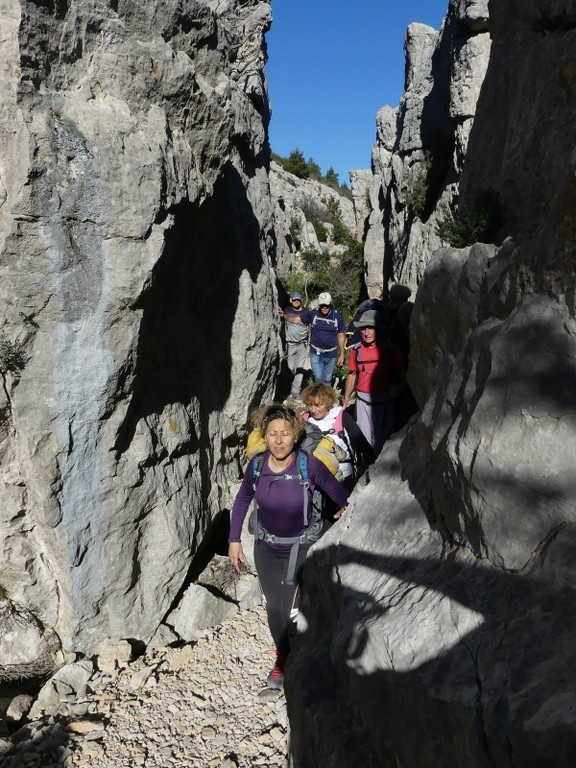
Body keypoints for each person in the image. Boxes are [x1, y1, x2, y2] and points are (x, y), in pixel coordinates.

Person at [228, 404, 349, 690]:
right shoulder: (257, 467)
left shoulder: (309, 465)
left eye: (284, 433)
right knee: (275, 609)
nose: (279, 440)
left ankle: (291, 661)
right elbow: (242, 500)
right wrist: (234, 539)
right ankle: (284, 657)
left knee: (291, 608)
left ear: (295, 435)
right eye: (272, 434)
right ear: (265, 437)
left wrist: (346, 507)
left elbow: (339, 493)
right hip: (266, 548)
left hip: (301, 547)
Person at [342, 309, 406, 455]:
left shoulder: (390, 349)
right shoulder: (356, 350)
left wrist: (399, 388)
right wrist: (346, 398)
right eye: (364, 328)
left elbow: (405, 374)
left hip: (384, 403)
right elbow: (352, 375)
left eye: (370, 328)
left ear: (378, 329)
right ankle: (365, 470)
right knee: (364, 440)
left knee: (383, 441)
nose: (367, 332)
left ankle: (378, 471)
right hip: (363, 401)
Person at [300, 382, 375, 490]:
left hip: (344, 476)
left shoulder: (342, 417)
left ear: (328, 402)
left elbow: (361, 443)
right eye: (309, 405)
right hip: (314, 477)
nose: (313, 410)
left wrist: (375, 467)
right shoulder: (304, 419)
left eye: (317, 405)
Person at [278, 292, 345, 385]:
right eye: (322, 305)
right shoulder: (313, 314)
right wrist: (284, 316)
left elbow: (341, 336)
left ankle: (326, 398)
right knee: (318, 377)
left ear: (330, 304)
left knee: (328, 378)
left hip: (331, 354)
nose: (324, 308)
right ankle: (318, 397)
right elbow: (296, 319)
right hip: (316, 353)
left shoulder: (337, 317)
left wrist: (342, 354)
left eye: (326, 305)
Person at [282, 291, 308, 401]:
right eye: (294, 300)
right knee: (291, 368)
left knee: (300, 369)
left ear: (301, 300)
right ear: (290, 300)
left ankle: (295, 391)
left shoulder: (306, 312)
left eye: (298, 300)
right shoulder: (287, 310)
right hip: (291, 344)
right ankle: (288, 388)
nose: (296, 301)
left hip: (302, 344)